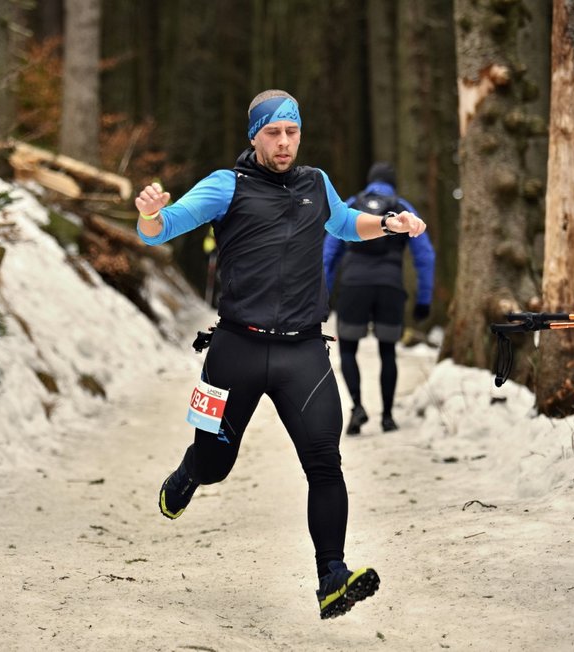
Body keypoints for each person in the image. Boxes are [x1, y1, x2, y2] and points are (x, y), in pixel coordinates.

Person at [134, 89, 427, 618]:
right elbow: (164, 229)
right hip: (234, 352)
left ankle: (332, 576)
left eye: (292, 131)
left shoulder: (316, 183)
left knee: (325, 461)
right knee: (216, 463)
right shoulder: (228, 185)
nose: (285, 142)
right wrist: (153, 216)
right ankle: (189, 471)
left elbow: (343, 223)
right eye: (274, 132)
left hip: (302, 353)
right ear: (254, 136)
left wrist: (388, 223)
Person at [323, 162, 435, 435]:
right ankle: (386, 416)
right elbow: (425, 256)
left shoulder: (351, 204)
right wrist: (424, 299)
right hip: (390, 287)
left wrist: (323, 297)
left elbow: (329, 255)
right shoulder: (402, 206)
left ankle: (358, 407)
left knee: (348, 350)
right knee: (388, 352)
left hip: (353, 286)